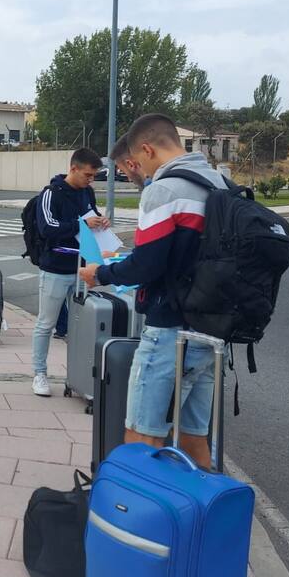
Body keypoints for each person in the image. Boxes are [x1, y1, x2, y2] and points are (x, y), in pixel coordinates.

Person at [78, 114, 227, 469]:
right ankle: (198, 519)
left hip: (169, 332)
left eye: (138, 162)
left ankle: (138, 521)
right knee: (193, 438)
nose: (139, 171)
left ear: (145, 150)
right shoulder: (221, 183)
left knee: (142, 436)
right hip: (211, 330)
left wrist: (100, 273)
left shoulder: (164, 190)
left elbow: (148, 265)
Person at [29, 148, 109, 396]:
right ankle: (39, 373)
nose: (90, 180)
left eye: (94, 176)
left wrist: (100, 221)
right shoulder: (50, 194)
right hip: (55, 267)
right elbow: (47, 227)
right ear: (73, 168)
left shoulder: (87, 193)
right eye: (88, 174)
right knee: (46, 323)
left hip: (82, 269)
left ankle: (78, 375)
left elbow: (90, 217)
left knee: (82, 325)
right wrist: (82, 223)